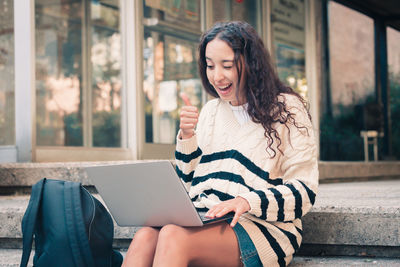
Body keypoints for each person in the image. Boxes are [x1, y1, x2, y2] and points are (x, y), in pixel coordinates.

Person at [122, 21, 318, 267]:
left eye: (227, 65)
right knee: (145, 236)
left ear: (251, 63)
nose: (216, 76)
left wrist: (247, 201)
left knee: (173, 236)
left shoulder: (287, 109)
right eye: (210, 66)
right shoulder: (211, 112)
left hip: (260, 227)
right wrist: (186, 136)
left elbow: (305, 190)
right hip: (208, 218)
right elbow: (190, 183)